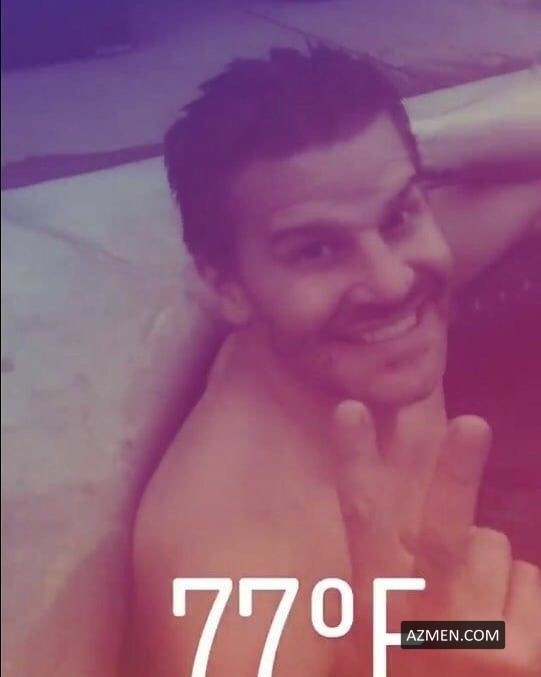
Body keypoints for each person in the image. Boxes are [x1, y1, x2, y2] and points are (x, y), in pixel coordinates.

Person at [123, 47, 541, 676]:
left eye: (399, 216)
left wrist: (447, 640)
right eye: (316, 251)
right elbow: (430, 647)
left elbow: (429, 636)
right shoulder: (236, 580)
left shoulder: (373, 314)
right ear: (227, 287)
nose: (394, 282)